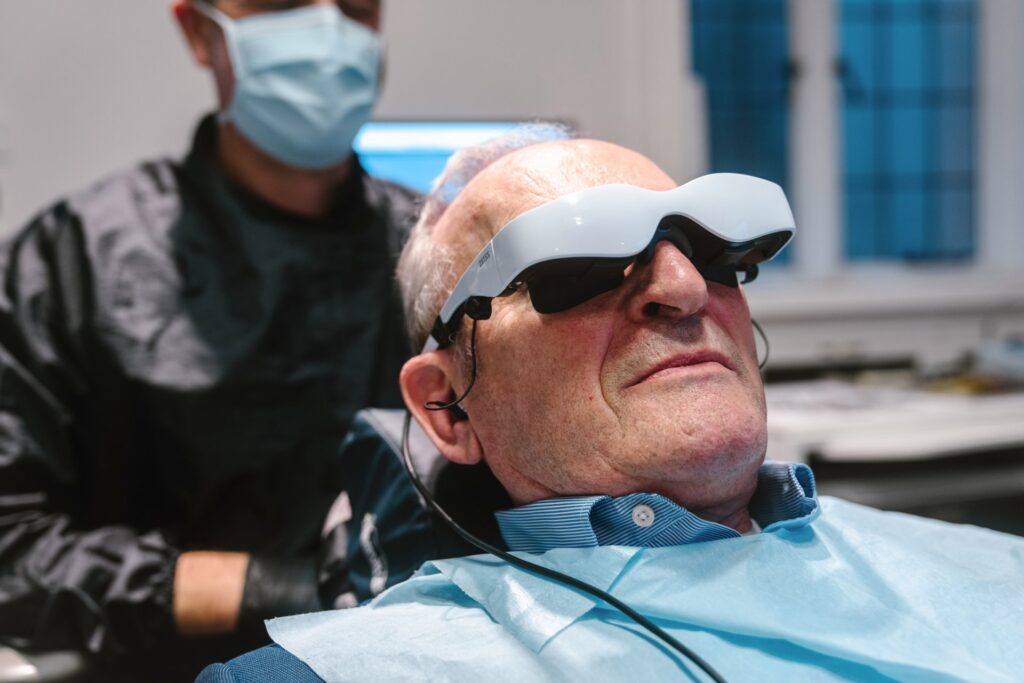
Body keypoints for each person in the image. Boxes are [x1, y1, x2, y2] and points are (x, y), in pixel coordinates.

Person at [197, 128, 1024, 682]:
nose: (685, 286)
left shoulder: (989, 565)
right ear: (448, 406)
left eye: (711, 251)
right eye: (579, 262)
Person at [0, 0, 424, 679]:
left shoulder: (433, 260)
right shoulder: (75, 261)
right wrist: (272, 587)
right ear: (200, 31)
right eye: (282, 2)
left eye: (356, 7)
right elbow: (12, 548)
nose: (326, 29)